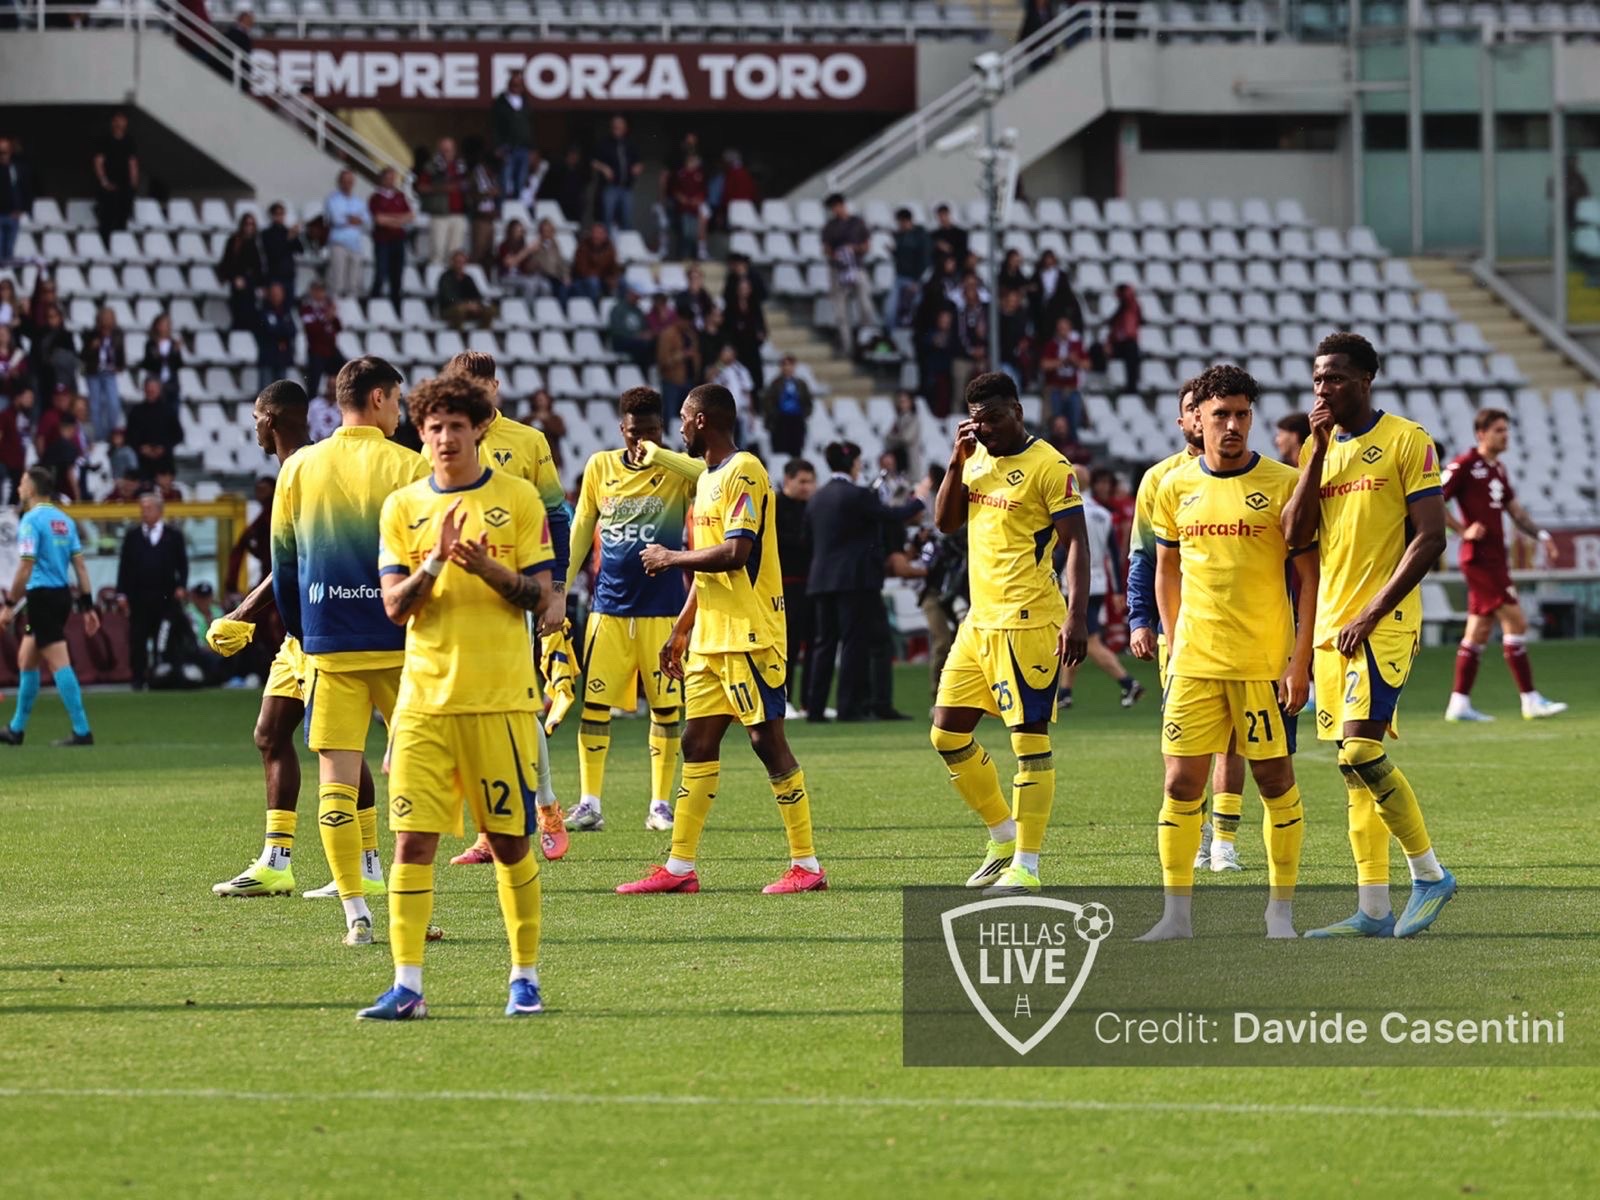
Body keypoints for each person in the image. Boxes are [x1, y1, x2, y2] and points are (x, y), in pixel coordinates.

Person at [356, 372, 555, 1021]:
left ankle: (523, 976)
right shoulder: (401, 507)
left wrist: (486, 567)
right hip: (422, 705)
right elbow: (393, 607)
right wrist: (436, 563)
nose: (445, 437)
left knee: (508, 841)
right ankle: (407, 984)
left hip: (499, 699)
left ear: (477, 431)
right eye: (435, 427)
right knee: (413, 841)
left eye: (457, 427)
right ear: (422, 432)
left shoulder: (518, 497)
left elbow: (540, 595)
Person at [617, 384, 826, 895]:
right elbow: (713, 563)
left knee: (766, 741)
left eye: (685, 418)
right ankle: (680, 868)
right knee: (696, 741)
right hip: (712, 636)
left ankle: (808, 866)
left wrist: (669, 558)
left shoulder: (745, 471)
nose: (680, 426)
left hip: (750, 634)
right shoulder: (709, 478)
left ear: (704, 420)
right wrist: (683, 626)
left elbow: (736, 553)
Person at [1134, 364, 1317, 941]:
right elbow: (1165, 570)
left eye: (1241, 415)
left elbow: (1308, 579)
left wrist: (1299, 661)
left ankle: (1279, 912)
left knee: (1274, 782)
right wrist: (1173, 637)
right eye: (1220, 415)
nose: (1232, 425)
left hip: (1263, 665)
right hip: (1193, 664)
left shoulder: (1285, 484)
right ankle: (1177, 916)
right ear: (1198, 420)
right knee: (1180, 786)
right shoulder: (1172, 485)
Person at [1282, 331, 1456, 939]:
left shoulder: (1408, 441)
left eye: (1334, 378)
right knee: (1352, 773)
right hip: (1332, 626)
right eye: (1317, 378)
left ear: (1365, 380)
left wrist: (1373, 611)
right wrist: (1319, 449)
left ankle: (1429, 874)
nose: (1322, 388)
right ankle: (1374, 910)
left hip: (1384, 622)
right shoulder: (1318, 446)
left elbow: (1431, 536)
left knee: (1361, 750)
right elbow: (1294, 533)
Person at [269, 356, 429, 946]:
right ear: (381, 398)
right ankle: (410, 910)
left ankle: (355, 914)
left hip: (329, 643)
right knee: (414, 776)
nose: (403, 410)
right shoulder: (411, 465)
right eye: (400, 400)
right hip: (398, 642)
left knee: (336, 779)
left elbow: (284, 565)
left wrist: (302, 631)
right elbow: (425, 559)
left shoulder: (301, 467)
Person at [209, 384, 391, 899]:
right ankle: (276, 861)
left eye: (255, 419)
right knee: (270, 733)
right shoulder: (293, 469)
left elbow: (304, 556)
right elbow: (288, 562)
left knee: (341, 748)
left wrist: (242, 613)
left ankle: (368, 865)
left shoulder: (315, 464)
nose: (253, 429)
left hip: (326, 631)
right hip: (298, 636)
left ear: (272, 418)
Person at [929, 372, 1089, 895]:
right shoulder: (974, 457)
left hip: (1028, 622)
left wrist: (1077, 616)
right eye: (978, 420)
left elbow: (1077, 544)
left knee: (1029, 744)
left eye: (994, 419)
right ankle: (1002, 835)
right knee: (946, 733)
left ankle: (1028, 863)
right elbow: (946, 522)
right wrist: (956, 462)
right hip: (978, 623)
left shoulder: (1049, 466)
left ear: (1017, 411)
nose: (986, 430)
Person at [435, 350, 573, 865]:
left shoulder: (527, 441)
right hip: (454, 598)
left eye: (479, 385)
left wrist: (555, 589)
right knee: (472, 711)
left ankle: (544, 806)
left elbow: (556, 518)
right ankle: (492, 830)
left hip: (512, 594)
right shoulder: (441, 441)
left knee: (514, 703)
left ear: (495, 386)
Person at [562, 388, 696, 833]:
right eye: (635, 433)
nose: (642, 442)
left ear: (661, 431)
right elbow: (582, 525)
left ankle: (660, 804)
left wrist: (663, 455)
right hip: (609, 609)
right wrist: (562, 584)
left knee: (665, 710)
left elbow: (710, 472)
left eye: (652, 433)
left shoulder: (676, 471)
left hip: (663, 611)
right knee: (595, 706)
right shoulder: (600, 466)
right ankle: (589, 803)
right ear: (622, 429)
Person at [1441, 407, 1567, 723]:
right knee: (1517, 620)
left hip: (1495, 558)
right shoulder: (1465, 465)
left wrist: (1541, 534)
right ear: (1481, 433)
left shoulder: (1498, 469)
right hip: (1480, 559)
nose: (1505, 435)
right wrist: (1462, 530)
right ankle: (1530, 700)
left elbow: (1516, 512)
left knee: (1479, 630)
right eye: (1499, 430)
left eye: (1507, 430)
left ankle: (1458, 703)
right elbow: (1432, 498)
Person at [805, 441, 924, 724]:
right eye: (858, 462)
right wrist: (918, 499)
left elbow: (807, 538)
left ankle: (816, 708)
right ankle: (848, 707)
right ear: (852, 464)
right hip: (853, 580)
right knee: (851, 643)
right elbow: (893, 516)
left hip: (821, 579)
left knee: (824, 644)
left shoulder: (817, 498)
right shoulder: (858, 495)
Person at [0, 467, 98, 746]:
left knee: (58, 661)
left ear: (31, 488)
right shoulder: (64, 521)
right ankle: (16, 729)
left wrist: (8, 604)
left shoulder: (30, 520)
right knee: (26, 657)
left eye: (21, 482)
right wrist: (88, 606)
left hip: (41, 596)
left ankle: (82, 731)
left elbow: (26, 565)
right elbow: (79, 565)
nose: (19, 487)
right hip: (61, 595)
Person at [1057, 464, 1143, 711]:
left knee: (1090, 641)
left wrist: (1052, 571)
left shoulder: (1069, 510)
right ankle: (1065, 692)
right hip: (1097, 583)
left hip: (1072, 582)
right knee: (1073, 638)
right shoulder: (1103, 514)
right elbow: (1113, 555)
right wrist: (1117, 589)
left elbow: (1066, 549)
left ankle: (1128, 683)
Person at [116, 491, 188, 692]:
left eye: (148, 508)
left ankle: (163, 676)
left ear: (159, 510)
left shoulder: (173, 535)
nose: (144, 512)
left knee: (164, 639)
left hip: (166, 597)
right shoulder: (132, 536)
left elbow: (182, 565)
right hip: (139, 597)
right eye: (142, 508)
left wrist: (181, 586)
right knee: (137, 638)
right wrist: (122, 594)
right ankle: (138, 678)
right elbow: (124, 567)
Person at [775, 458, 816, 713]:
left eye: (811, 481)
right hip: (785, 585)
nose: (807, 487)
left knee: (813, 643)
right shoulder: (776, 506)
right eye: (802, 481)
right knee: (787, 645)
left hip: (811, 585)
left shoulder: (812, 508)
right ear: (788, 480)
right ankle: (784, 699)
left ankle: (808, 702)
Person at [822, 192, 879, 357]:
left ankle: (865, 340)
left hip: (857, 266)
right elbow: (827, 249)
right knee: (841, 312)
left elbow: (866, 246)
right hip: (838, 270)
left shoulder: (857, 223)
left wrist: (852, 250)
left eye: (836, 207)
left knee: (865, 306)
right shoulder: (830, 227)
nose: (835, 211)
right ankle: (847, 346)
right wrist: (838, 255)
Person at [418, 138, 469, 266]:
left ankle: (451, 282)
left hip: (458, 213)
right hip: (439, 214)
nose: (447, 153)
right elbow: (421, 187)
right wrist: (442, 188)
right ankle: (435, 280)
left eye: (449, 150)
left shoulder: (461, 166)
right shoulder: (431, 166)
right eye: (444, 150)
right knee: (437, 250)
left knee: (455, 252)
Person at [80, 306, 127, 442]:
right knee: (95, 405)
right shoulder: (90, 334)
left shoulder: (118, 335)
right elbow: (82, 356)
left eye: (109, 317)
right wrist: (91, 347)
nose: (107, 321)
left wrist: (120, 366)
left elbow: (121, 353)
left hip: (110, 373)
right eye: (104, 317)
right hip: (94, 372)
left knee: (113, 403)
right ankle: (98, 436)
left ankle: (111, 433)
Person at [1039, 314, 1089, 438]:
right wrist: (1063, 361)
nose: (1063, 331)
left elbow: (1087, 364)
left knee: (1074, 420)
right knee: (1055, 420)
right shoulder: (1051, 345)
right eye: (1061, 328)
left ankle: (1073, 444)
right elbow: (1044, 365)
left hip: (1071, 388)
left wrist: (1075, 361)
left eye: (1065, 328)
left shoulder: (1076, 345)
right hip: (1054, 388)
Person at [367, 167, 411, 306]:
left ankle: (395, 308)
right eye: (389, 178)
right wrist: (398, 219)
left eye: (393, 178)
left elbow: (409, 216)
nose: (391, 181)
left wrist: (390, 219)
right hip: (382, 241)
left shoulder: (400, 196)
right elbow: (379, 220)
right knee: (380, 274)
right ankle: (373, 304)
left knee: (397, 277)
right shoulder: (376, 198)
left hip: (398, 240)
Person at [592, 115, 642, 233]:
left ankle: (625, 248)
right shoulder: (604, 143)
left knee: (627, 219)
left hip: (626, 188)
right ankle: (607, 247)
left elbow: (639, 162)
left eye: (620, 127)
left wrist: (638, 167)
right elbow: (593, 162)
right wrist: (604, 168)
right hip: (610, 187)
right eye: (615, 127)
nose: (617, 129)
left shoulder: (630, 144)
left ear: (625, 128)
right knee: (607, 218)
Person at [126, 375, 182, 480]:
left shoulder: (169, 411)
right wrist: (141, 448)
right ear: (144, 390)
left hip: (164, 462)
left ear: (159, 390)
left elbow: (178, 435)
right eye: (148, 388)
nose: (151, 391)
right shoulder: (136, 411)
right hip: (142, 463)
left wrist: (164, 448)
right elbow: (129, 436)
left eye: (153, 389)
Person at [92, 112, 139, 238]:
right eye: (117, 120)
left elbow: (132, 162)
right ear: (112, 122)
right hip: (109, 182)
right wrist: (104, 181)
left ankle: (121, 241)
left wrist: (133, 182)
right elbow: (98, 161)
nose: (119, 123)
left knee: (123, 213)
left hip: (124, 182)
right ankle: (105, 242)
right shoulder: (104, 140)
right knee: (108, 214)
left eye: (122, 120)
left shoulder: (129, 140)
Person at [323, 170, 369, 298]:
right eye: (345, 181)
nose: (348, 184)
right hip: (339, 243)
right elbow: (336, 219)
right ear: (340, 182)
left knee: (353, 282)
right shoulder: (333, 199)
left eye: (350, 181)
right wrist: (355, 219)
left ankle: (351, 308)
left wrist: (349, 218)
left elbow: (366, 220)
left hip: (355, 244)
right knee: (337, 280)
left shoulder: (358, 201)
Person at [491, 72, 536, 201]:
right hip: (507, 147)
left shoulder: (525, 103)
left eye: (519, 85)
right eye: (514, 84)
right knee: (505, 180)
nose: (516, 87)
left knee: (521, 181)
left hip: (523, 147)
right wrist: (497, 146)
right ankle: (504, 207)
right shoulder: (501, 102)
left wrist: (532, 148)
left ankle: (517, 207)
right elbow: (495, 125)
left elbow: (530, 126)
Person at [758, 354, 811, 460]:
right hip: (780, 421)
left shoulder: (800, 384)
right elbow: (768, 402)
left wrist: (803, 414)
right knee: (780, 450)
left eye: (790, 365)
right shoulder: (775, 384)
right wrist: (774, 415)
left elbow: (807, 401)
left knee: (796, 449)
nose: (787, 368)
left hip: (796, 420)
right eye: (785, 365)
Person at [298, 278, 343, 402]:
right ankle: (311, 409)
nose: (320, 293)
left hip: (330, 349)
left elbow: (338, 327)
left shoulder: (327, 306)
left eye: (322, 290)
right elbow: (311, 330)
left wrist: (333, 317)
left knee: (346, 370)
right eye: (317, 290)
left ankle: (338, 400)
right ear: (312, 292)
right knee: (313, 384)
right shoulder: (307, 308)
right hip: (316, 350)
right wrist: (326, 318)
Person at [886, 207, 930, 331]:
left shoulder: (921, 235)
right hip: (899, 278)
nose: (899, 225)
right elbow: (900, 257)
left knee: (917, 311)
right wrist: (894, 252)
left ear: (907, 221)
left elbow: (925, 260)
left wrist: (917, 281)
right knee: (891, 311)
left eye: (900, 222)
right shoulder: (899, 236)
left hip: (915, 279)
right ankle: (892, 338)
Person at [218, 212, 264, 332]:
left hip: (251, 284)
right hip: (238, 284)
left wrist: (260, 284)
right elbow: (226, 264)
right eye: (247, 224)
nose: (249, 227)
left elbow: (258, 266)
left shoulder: (257, 242)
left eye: (252, 224)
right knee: (239, 314)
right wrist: (234, 278)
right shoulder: (234, 241)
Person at [656, 308, 701, 416]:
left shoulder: (691, 335)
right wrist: (682, 355)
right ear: (679, 319)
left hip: (689, 380)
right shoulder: (667, 335)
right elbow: (663, 360)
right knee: (670, 415)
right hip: (672, 381)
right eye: (685, 321)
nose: (687, 324)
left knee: (687, 416)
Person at [254, 281, 296, 394]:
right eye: (274, 294)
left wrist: (280, 332)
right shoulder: (264, 311)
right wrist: (282, 334)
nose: (276, 296)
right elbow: (268, 330)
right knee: (265, 393)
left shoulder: (286, 312)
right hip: (268, 356)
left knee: (280, 394)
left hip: (282, 358)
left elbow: (293, 330)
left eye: (278, 294)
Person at [435, 250, 495, 329]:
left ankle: (483, 333)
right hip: (449, 309)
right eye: (458, 262)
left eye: (463, 262)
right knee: (459, 310)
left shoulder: (468, 278)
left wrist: (475, 304)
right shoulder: (445, 278)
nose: (460, 265)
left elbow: (476, 295)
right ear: (452, 263)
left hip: (467, 308)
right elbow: (448, 298)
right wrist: (465, 305)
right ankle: (458, 335)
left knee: (489, 310)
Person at [0, 136, 34, 262]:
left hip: (13, 215)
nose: (3, 155)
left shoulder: (17, 168)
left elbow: (26, 190)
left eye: (5, 152)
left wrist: (23, 209)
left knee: (9, 251)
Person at [260, 201, 302, 301]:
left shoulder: (288, 231)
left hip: (289, 275)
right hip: (275, 275)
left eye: (282, 214)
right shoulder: (266, 234)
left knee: (288, 305)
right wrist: (288, 239)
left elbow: (300, 250)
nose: (280, 216)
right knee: (275, 305)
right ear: (272, 216)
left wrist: (295, 236)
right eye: (277, 214)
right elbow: (273, 253)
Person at [606, 284, 654, 369]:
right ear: (629, 294)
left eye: (638, 297)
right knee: (641, 346)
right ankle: (642, 371)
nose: (637, 299)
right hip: (621, 341)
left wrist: (647, 334)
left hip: (636, 341)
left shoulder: (638, 311)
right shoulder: (618, 309)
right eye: (635, 296)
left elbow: (644, 327)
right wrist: (636, 335)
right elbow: (617, 330)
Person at [141, 313, 183, 408]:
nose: (166, 327)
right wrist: (157, 357)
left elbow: (179, 365)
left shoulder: (173, 343)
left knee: (173, 410)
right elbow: (147, 365)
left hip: (171, 382)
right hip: (156, 381)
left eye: (167, 324)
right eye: (163, 324)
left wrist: (176, 352)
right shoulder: (151, 344)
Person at [1106, 283, 1142, 393]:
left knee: (1132, 353)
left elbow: (1129, 298)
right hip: (1119, 343)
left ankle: (1131, 387)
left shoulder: (1131, 307)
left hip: (1129, 341)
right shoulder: (1121, 312)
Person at [571, 222, 620, 299]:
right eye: (595, 233)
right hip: (582, 280)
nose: (597, 236)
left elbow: (613, 267)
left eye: (600, 233)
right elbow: (582, 270)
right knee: (593, 282)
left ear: (605, 235)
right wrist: (602, 276)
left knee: (622, 282)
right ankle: (596, 308)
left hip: (602, 279)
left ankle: (620, 306)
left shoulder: (610, 248)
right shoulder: (583, 246)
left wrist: (613, 278)